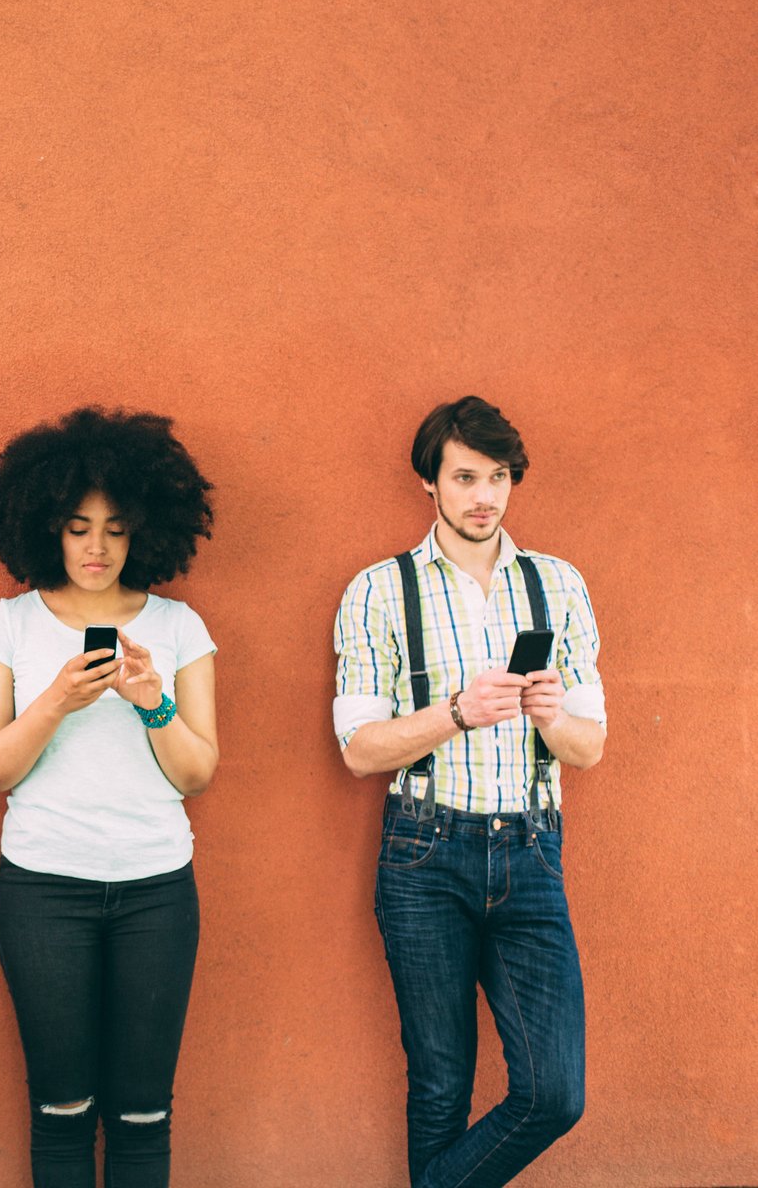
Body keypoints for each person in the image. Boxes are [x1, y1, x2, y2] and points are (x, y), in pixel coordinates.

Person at [334, 397, 605, 1187]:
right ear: (431, 483)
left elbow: (588, 747)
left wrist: (550, 715)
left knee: (554, 1092)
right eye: (465, 477)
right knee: (442, 1084)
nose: (484, 495)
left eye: (498, 477)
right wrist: (456, 712)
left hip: (529, 848)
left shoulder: (557, 584)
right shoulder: (380, 591)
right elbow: (357, 750)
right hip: (425, 853)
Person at [0, 407, 219, 1188]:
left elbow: (197, 773)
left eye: (115, 528)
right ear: (46, 528)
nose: (98, 547)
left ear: (144, 528)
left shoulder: (179, 626)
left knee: (144, 1116)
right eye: (78, 528)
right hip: (43, 891)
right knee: (62, 1112)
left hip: (156, 891)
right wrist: (54, 703)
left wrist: (153, 702)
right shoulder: (4, 625)